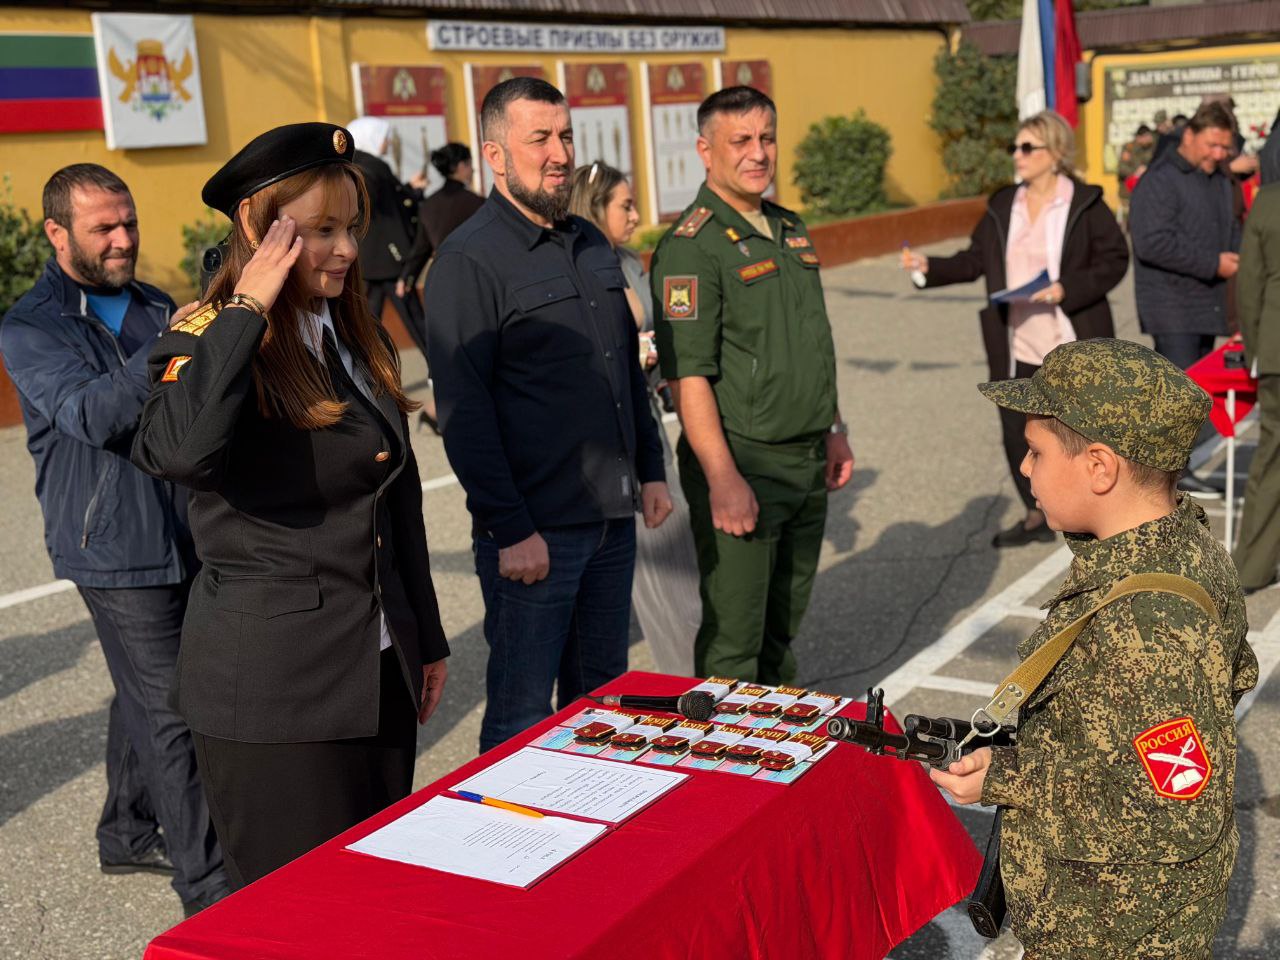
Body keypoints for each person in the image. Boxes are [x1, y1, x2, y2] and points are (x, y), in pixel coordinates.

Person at [130, 123, 450, 888]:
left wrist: (426, 636)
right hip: (275, 694)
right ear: (256, 227)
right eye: (322, 231)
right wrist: (245, 308)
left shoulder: (350, 335)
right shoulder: (210, 338)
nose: (347, 251)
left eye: (352, 229)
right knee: (294, 909)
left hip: (375, 670)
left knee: (371, 893)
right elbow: (178, 454)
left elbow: (395, 499)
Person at [933, 338, 1257, 958]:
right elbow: (1224, 683)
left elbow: (1176, 808)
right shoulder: (1177, 545)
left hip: (1113, 931)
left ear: (1100, 468)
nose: (1024, 468)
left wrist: (1012, 777)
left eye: (1036, 451)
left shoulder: (1149, 623)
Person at [0, 164, 228, 916]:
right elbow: (91, 415)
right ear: (57, 233)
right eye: (103, 228)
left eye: (128, 222)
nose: (123, 239)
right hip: (111, 546)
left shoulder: (154, 302)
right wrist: (168, 344)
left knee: (148, 688)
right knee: (172, 712)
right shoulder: (31, 327)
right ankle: (208, 889)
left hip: (185, 529)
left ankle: (127, 831)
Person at [423, 79, 671, 752]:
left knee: (604, 708)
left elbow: (623, 372)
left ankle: (596, 819)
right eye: (539, 139)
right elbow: (465, 413)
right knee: (521, 720)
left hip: (610, 524)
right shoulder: (468, 261)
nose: (560, 154)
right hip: (535, 537)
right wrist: (510, 529)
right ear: (495, 155)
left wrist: (650, 470)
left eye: (565, 136)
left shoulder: (590, 241)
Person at [650, 86, 854, 685]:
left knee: (782, 626)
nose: (758, 153)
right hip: (745, 462)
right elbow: (688, 375)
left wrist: (834, 429)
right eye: (740, 140)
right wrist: (722, 478)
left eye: (766, 138)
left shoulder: (789, 227)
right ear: (705, 151)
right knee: (734, 640)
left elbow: (812, 341)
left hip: (806, 457)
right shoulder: (691, 248)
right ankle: (723, 741)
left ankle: (772, 730)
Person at [903, 110, 1129, 547]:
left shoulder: (1084, 203)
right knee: (1017, 434)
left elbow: (1115, 258)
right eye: (1015, 147)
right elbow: (975, 259)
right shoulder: (1004, 204)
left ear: (1055, 153)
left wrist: (1067, 288)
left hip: (1072, 342)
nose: (1017, 155)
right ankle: (1036, 513)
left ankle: (1096, 515)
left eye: (1027, 147)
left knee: (1084, 433)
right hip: (1017, 344)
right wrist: (929, 267)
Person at [570, 161, 701, 675]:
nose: (636, 215)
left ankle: (693, 683)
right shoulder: (579, 267)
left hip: (645, 426)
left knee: (675, 566)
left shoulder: (627, 260)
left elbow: (655, 332)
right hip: (607, 443)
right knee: (660, 573)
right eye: (625, 205)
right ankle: (690, 691)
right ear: (593, 207)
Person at [1131, 102, 1241, 371]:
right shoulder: (1160, 179)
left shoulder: (1217, 178)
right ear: (1189, 135)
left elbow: (1229, 227)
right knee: (1181, 392)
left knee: (1201, 389)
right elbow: (1152, 243)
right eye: (1212, 145)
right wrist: (1213, 264)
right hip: (1173, 312)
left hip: (1207, 307)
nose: (1218, 154)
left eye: (1225, 147)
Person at [346, 117, 431, 364]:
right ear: (371, 137)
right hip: (391, 260)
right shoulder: (372, 167)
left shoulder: (355, 166)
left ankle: (364, 373)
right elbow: (386, 206)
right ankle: (440, 369)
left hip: (367, 261)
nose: (388, 142)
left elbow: (384, 203)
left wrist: (409, 189)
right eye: (384, 137)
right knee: (416, 321)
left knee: (365, 325)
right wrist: (412, 193)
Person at [1234, 162, 1280, 593]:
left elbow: (1249, 287)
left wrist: (1256, 349)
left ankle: (1251, 567)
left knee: (1272, 459)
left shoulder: (1267, 201)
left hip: (1276, 350)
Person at [407, 142, 485, 269]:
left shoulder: (428, 205)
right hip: (472, 270)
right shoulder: (477, 203)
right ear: (461, 166)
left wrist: (405, 277)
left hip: (442, 271)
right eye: (470, 164)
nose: (473, 170)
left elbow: (421, 249)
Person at [1116, 123, 1155, 218]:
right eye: (1146, 136)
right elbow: (1121, 168)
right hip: (1129, 189)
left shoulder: (1152, 148)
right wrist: (1136, 173)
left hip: (1147, 189)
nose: (1150, 139)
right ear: (1139, 137)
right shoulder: (1129, 148)